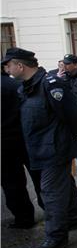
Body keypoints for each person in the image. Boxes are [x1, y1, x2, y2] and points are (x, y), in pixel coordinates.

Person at [3, 48, 77, 248]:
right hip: (38, 148)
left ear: (19, 65)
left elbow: (74, 116)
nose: (5, 68)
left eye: (8, 64)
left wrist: (67, 140)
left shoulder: (51, 84)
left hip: (55, 149)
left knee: (50, 191)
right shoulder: (26, 87)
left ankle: (56, 237)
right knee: (63, 183)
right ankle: (74, 219)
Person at [1, 68, 38, 229]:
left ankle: (24, 217)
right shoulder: (18, 85)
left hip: (5, 144)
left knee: (12, 182)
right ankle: (53, 212)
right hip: (27, 138)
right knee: (39, 177)